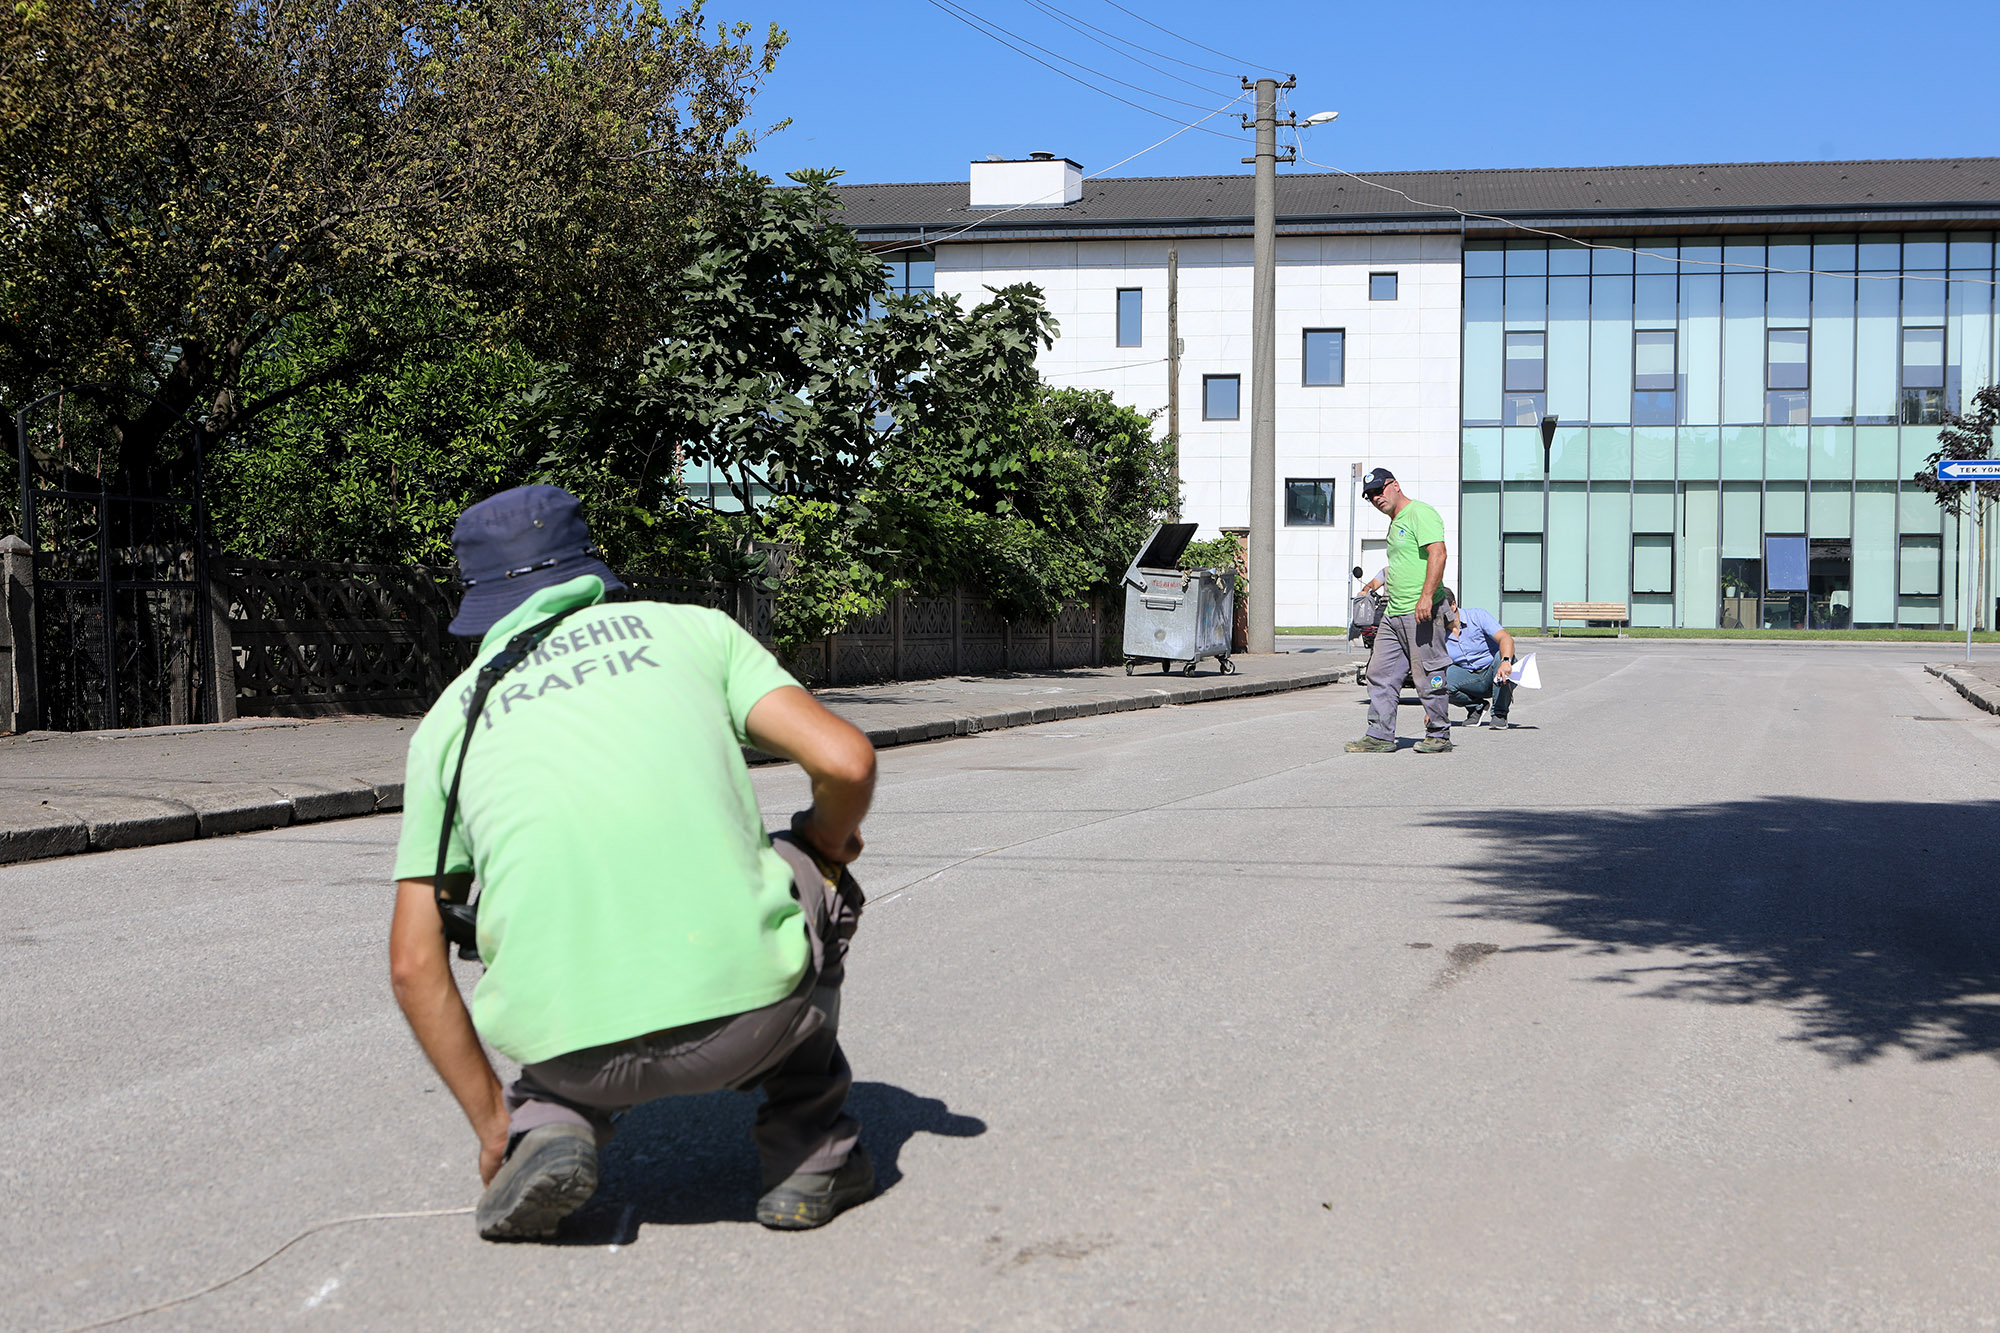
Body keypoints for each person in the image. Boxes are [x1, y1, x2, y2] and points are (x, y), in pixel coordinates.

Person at [388, 485, 879, 1241]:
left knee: (525, 924)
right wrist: (824, 844)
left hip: (569, 1053)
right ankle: (809, 1152)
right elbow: (846, 760)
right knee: (809, 870)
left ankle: (544, 1123)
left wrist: (492, 1124)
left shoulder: (450, 723)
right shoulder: (694, 633)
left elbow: (414, 964)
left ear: (480, 600)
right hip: (753, 1020)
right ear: (588, 565)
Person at [1346, 467, 1453, 754]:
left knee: (1428, 673)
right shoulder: (1394, 524)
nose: (1376, 498)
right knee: (1379, 672)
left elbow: (1438, 553)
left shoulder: (1420, 512)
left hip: (1422, 611)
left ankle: (1439, 734)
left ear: (1395, 485)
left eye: (1379, 490)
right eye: (1370, 496)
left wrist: (1427, 597)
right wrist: (1372, 586)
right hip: (1394, 612)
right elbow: (1401, 565)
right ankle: (1380, 735)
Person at [1435, 586, 1518, 730]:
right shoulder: (1437, 634)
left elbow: (1506, 639)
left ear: (1453, 605)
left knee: (1503, 656)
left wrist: (1505, 661)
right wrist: (1433, 710)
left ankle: (1499, 713)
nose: (1437, 614)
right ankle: (1476, 707)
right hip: (1469, 675)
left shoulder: (1478, 616)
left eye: (1440, 609)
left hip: (1494, 670)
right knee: (1438, 681)